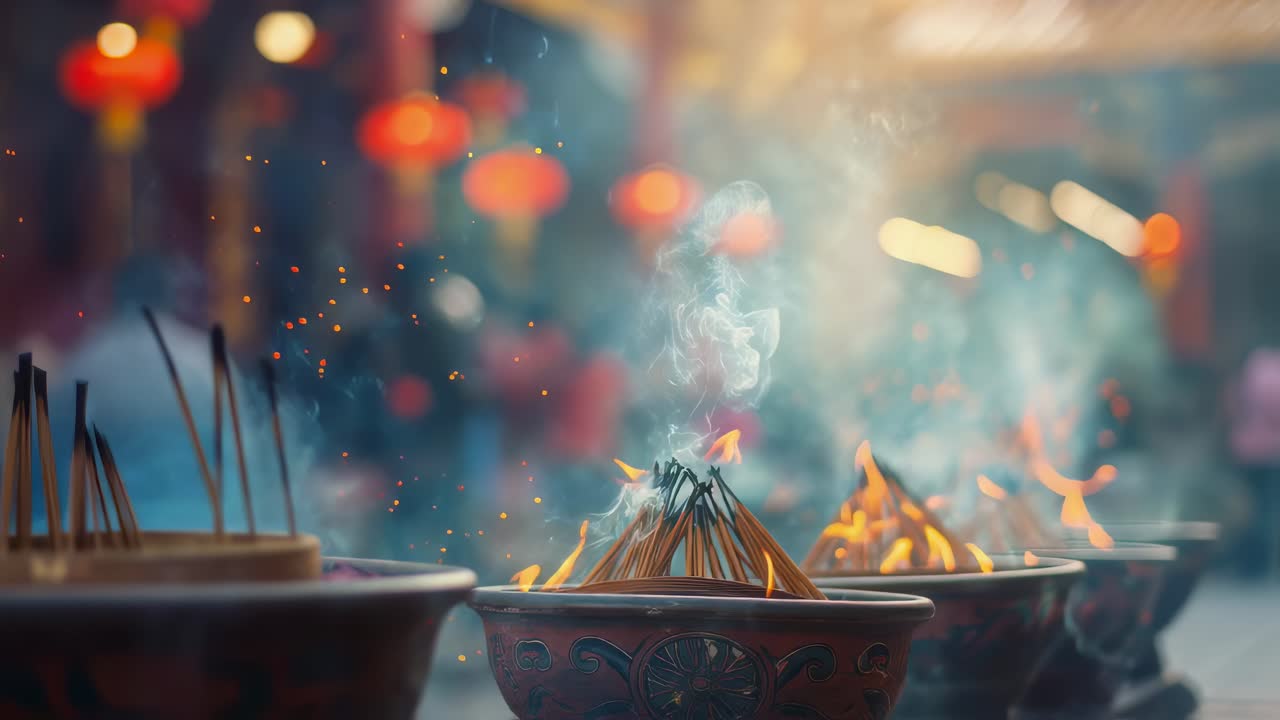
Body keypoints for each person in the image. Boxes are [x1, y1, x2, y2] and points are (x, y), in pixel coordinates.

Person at [1227, 348, 1280, 579]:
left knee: (1248, 508)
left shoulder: (1247, 370)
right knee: (1266, 509)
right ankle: (1261, 562)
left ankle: (1247, 562)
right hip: (1270, 450)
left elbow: (1231, 406)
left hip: (1245, 448)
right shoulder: (1273, 370)